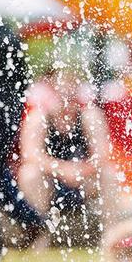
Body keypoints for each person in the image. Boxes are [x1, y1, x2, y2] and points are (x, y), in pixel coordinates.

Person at [17, 69, 117, 240]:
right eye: (62, 89)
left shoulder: (90, 116)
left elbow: (102, 153)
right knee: (29, 174)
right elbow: (30, 154)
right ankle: (39, 234)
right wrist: (62, 169)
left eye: (70, 88)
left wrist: (80, 170)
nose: (66, 94)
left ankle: (111, 234)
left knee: (108, 174)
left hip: (84, 179)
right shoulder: (39, 118)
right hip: (50, 180)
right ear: (53, 90)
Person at [0, 24, 45, 257]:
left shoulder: (2, 35)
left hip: (2, 114)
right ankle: (32, 220)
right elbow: (23, 81)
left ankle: (33, 220)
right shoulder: (6, 33)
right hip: (8, 112)